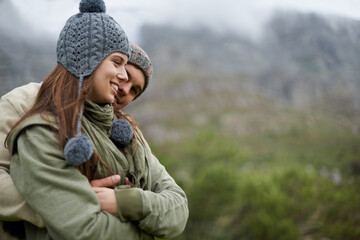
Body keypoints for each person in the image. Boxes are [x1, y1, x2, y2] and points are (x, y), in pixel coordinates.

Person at [1, 0, 188, 239]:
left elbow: (177, 203)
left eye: (135, 91)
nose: (125, 87)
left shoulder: (128, 134)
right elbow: (81, 225)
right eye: (122, 68)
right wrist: (64, 201)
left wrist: (125, 202)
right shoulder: (28, 105)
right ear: (94, 60)